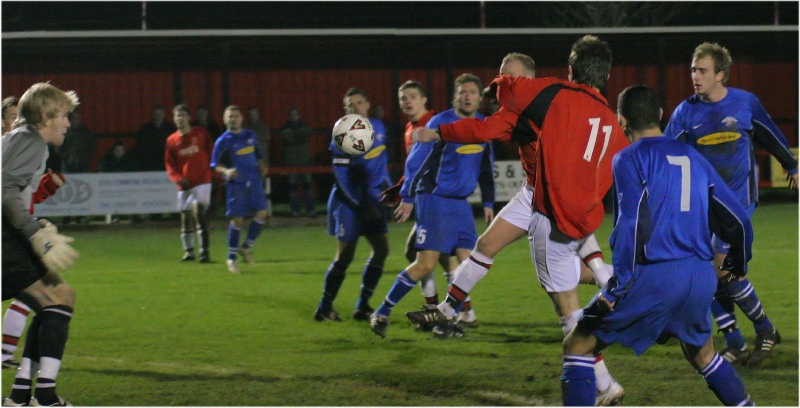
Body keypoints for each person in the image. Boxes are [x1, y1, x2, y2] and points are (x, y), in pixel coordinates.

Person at [409, 37, 629, 403]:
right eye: (499, 75)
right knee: (486, 246)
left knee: (567, 305)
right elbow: (486, 128)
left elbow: (483, 129)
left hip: (550, 201)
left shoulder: (550, 100)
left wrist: (437, 133)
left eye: (509, 77)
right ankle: (449, 308)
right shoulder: (583, 110)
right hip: (538, 193)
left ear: (528, 79)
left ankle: (604, 374)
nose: (503, 81)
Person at [561, 84, 755, 406]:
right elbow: (738, 220)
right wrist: (738, 263)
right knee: (703, 355)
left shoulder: (628, 158)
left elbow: (633, 225)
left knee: (578, 344)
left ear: (621, 120)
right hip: (699, 276)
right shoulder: (694, 155)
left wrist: (615, 288)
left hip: (656, 276)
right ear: (661, 115)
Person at [663, 42, 798, 367]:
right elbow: (667, 153)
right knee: (701, 272)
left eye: (702, 70)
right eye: (693, 69)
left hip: (737, 203)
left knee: (721, 267)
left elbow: (769, 134)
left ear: (720, 74)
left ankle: (765, 329)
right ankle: (735, 341)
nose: (694, 75)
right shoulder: (685, 112)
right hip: (703, 205)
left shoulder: (744, 103)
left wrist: (792, 166)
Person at [370, 73, 495, 339]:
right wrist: (407, 197)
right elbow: (416, 162)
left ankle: (444, 322)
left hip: (460, 204)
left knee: (469, 265)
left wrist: (487, 201)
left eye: (472, 92)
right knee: (425, 264)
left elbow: (486, 166)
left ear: (480, 98)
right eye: (462, 92)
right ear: (456, 96)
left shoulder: (485, 125)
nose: (467, 96)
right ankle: (381, 312)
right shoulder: (441, 122)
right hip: (435, 198)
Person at [2, 82, 81, 406]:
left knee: (52, 301)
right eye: (64, 115)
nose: (67, 122)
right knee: (59, 296)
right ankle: (43, 396)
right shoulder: (32, 140)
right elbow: (4, 188)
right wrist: (34, 232)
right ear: (46, 116)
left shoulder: (17, 138)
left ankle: (24, 395)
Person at [381, 80, 457, 323]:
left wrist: (407, 196)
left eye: (412, 96)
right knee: (439, 257)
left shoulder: (430, 124)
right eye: (403, 98)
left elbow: (427, 166)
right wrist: (400, 189)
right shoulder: (410, 127)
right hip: (427, 197)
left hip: (435, 197)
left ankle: (447, 311)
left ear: (424, 100)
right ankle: (449, 310)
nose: (407, 102)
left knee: (422, 255)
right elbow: (414, 166)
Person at [314, 87, 392, 322]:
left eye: (358, 103)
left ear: (367, 105)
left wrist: (391, 192)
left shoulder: (378, 127)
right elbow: (340, 176)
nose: (355, 107)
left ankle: (362, 305)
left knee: (382, 250)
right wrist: (360, 206)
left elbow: (381, 166)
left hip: (371, 200)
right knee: (345, 256)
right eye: (350, 105)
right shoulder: (342, 134)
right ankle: (324, 307)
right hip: (348, 202)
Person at [211, 105, 269, 274]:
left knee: (262, 214)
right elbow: (214, 164)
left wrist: (262, 165)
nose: (233, 119)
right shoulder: (223, 140)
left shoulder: (250, 135)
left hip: (254, 180)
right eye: (230, 116)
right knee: (237, 220)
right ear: (224, 119)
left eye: (236, 116)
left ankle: (246, 247)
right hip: (237, 183)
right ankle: (231, 258)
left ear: (241, 118)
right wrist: (227, 171)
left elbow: (258, 155)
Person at [165, 104, 215, 263]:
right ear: (174, 119)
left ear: (188, 117)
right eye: (177, 116)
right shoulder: (171, 140)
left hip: (202, 181)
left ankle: (204, 252)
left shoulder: (200, 133)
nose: (180, 118)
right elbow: (170, 164)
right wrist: (177, 178)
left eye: (182, 115)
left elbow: (212, 152)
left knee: (199, 212)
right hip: (185, 184)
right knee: (186, 217)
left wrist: (211, 171)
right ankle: (189, 252)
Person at [279, 108, 316, 217]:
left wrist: (295, 136)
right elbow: (287, 137)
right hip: (291, 163)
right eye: (291, 114)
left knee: (308, 187)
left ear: (299, 116)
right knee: (293, 188)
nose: (294, 116)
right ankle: (295, 210)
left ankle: (310, 210)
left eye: (295, 114)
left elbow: (308, 134)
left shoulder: (305, 127)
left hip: (305, 162)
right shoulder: (285, 129)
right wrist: (299, 136)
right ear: (289, 116)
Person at [133, 104, 176, 171]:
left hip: (166, 161)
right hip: (149, 162)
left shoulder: (170, 129)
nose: (158, 116)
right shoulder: (145, 129)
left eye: (160, 114)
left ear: (164, 115)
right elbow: (140, 146)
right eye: (156, 114)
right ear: (152, 115)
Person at [60, 108, 94, 174]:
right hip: (67, 163)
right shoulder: (64, 132)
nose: (75, 120)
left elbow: (91, 147)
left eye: (77, 117)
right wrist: (64, 157)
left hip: (83, 164)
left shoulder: (86, 133)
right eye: (73, 118)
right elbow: (59, 147)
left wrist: (86, 159)